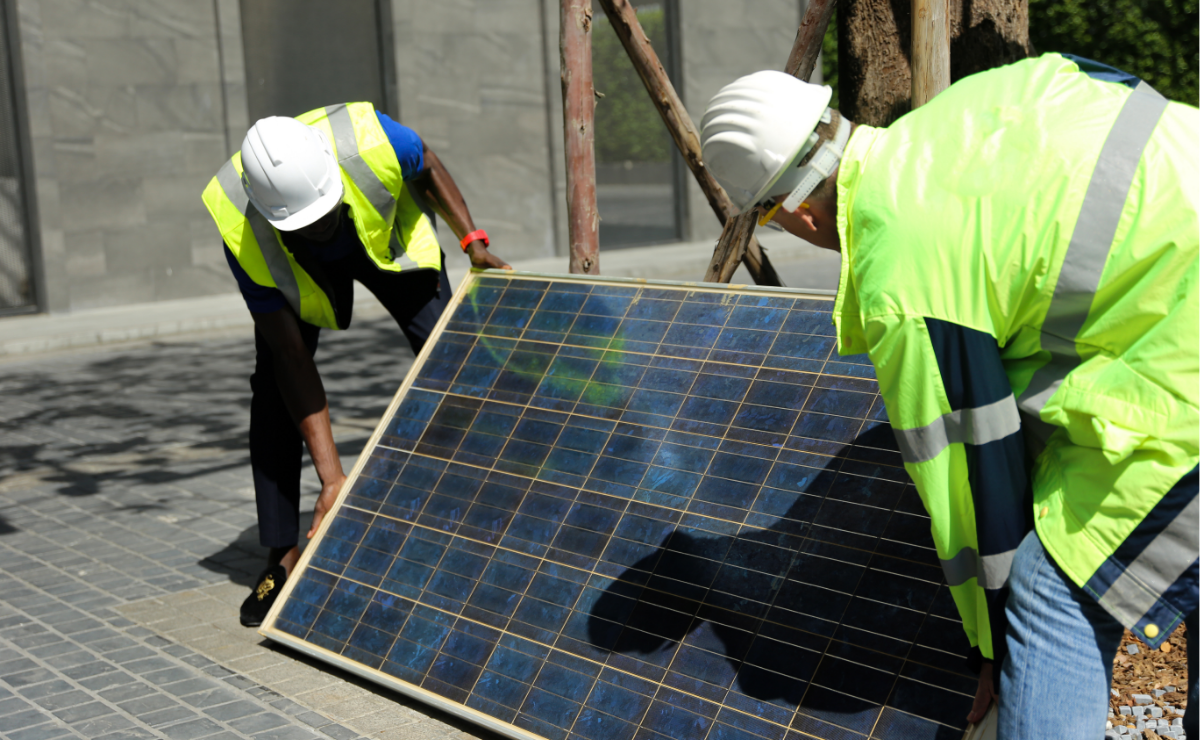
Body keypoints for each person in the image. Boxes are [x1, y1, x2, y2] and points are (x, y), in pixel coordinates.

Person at [700, 54, 1197, 737]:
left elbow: (970, 485)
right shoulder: (968, 105)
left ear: (794, 211)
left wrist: (990, 650)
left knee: (1049, 591)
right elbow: (1104, 80)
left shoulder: (901, 274)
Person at [201, 103, 510, 627]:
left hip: (386, 241)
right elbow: (292, 357)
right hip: (298, 268)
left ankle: (492, 512)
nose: (320, 226)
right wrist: (332, 478)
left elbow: (428, 162)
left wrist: (472, 241)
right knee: (273, 387)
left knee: (454, 360)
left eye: (323, 215)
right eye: (308, 222)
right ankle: (281, 554)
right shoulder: (239, 221)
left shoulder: (372, 139)